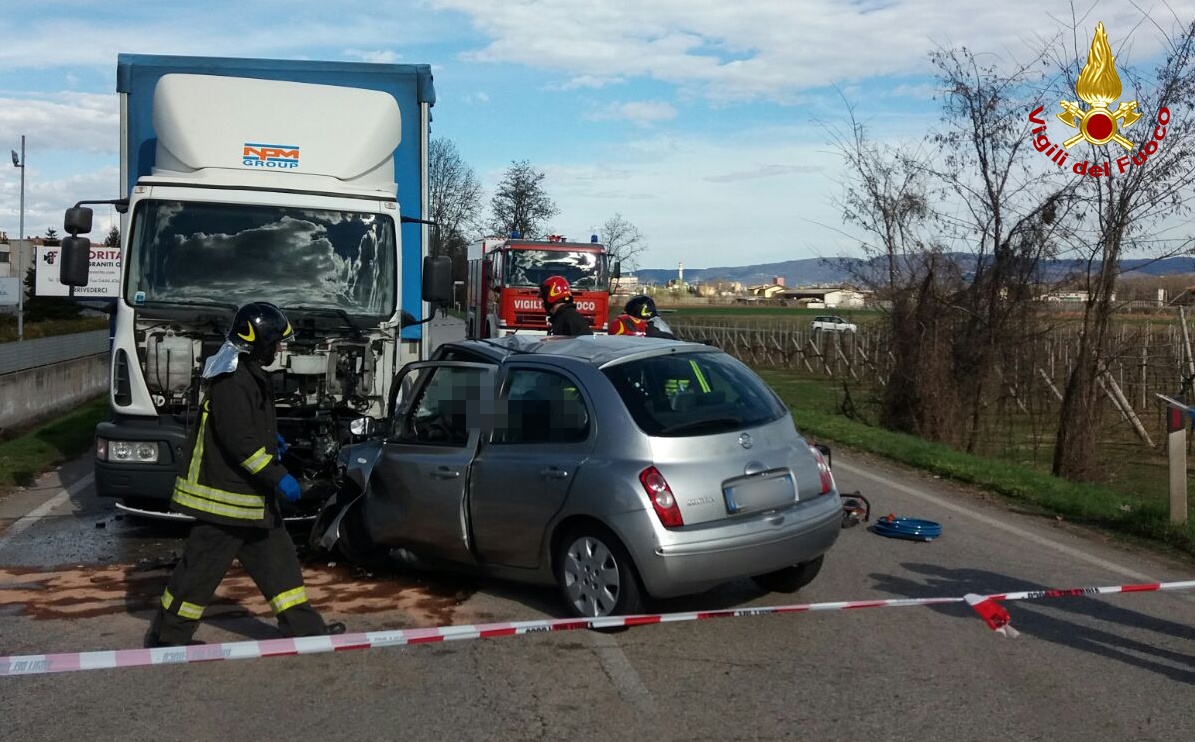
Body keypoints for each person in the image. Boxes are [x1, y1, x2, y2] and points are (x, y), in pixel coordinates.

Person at [145, 301, 345, 648]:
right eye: (275, 342)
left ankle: (307, 633)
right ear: (259, 342)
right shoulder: (234, 380)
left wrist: (274, 441)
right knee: (197, 576)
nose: (279, 348)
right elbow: (240, 444)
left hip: (250, 502)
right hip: (226, 501)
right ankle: (167, 638)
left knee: (282, 571)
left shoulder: (245, 372)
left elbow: (247, 430)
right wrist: (278, 476)